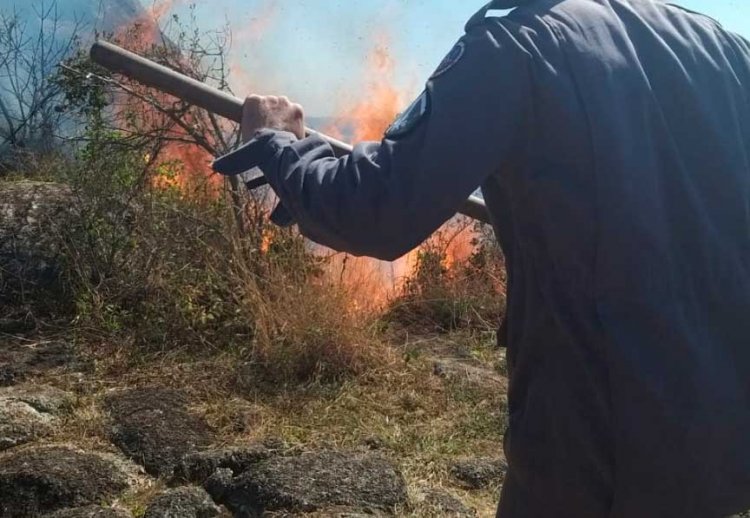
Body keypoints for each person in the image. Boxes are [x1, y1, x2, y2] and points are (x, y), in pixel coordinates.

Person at [214, 0, 750, 515]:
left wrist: (281, 144)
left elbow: (374, 210)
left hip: (598, 448)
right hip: (725, 436)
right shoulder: (724, 49)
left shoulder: (518, 44)